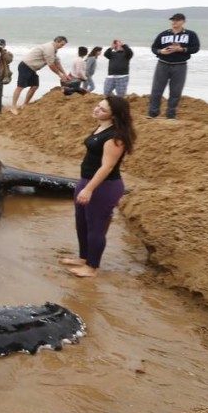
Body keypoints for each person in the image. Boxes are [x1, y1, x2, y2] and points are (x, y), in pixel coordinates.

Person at [60, 96, 135, 278]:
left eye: (102, 109)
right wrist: (84, 185)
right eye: (97, 106)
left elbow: (107, 167)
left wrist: (89, 189)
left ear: (114, 116)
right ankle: (83, 258)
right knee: (82, 223)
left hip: (104, 186)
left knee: (96, 226)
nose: (96, 110)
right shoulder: (102, 127)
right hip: (87, 181)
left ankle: (92, 267)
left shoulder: (115, 137)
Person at [148, 13, 201, 120]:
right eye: (173, 20)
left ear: (183, 21)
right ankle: (152, 114)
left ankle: (171, 115)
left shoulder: (190, 34)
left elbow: (195, 48)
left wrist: (182, 49)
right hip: (162, 64)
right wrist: (161, 51)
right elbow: (154, 47)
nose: (174, 22)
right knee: (156, 90)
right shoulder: (163, 34)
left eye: (177, 20)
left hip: (180, 65)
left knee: (176, 91)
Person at [11, 36, 69, 113]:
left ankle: (25, 104)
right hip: (25, 66)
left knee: (35, 86)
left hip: (32, 69)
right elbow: (51, 65)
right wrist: (59, 75)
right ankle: (13, 106)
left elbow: (57, 62)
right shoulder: (49, 48)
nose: (62, 47)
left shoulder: (54, 49)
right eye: (62, 44)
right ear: (57, 41)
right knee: (20, 87)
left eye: (63, 45)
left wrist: (64, 74)